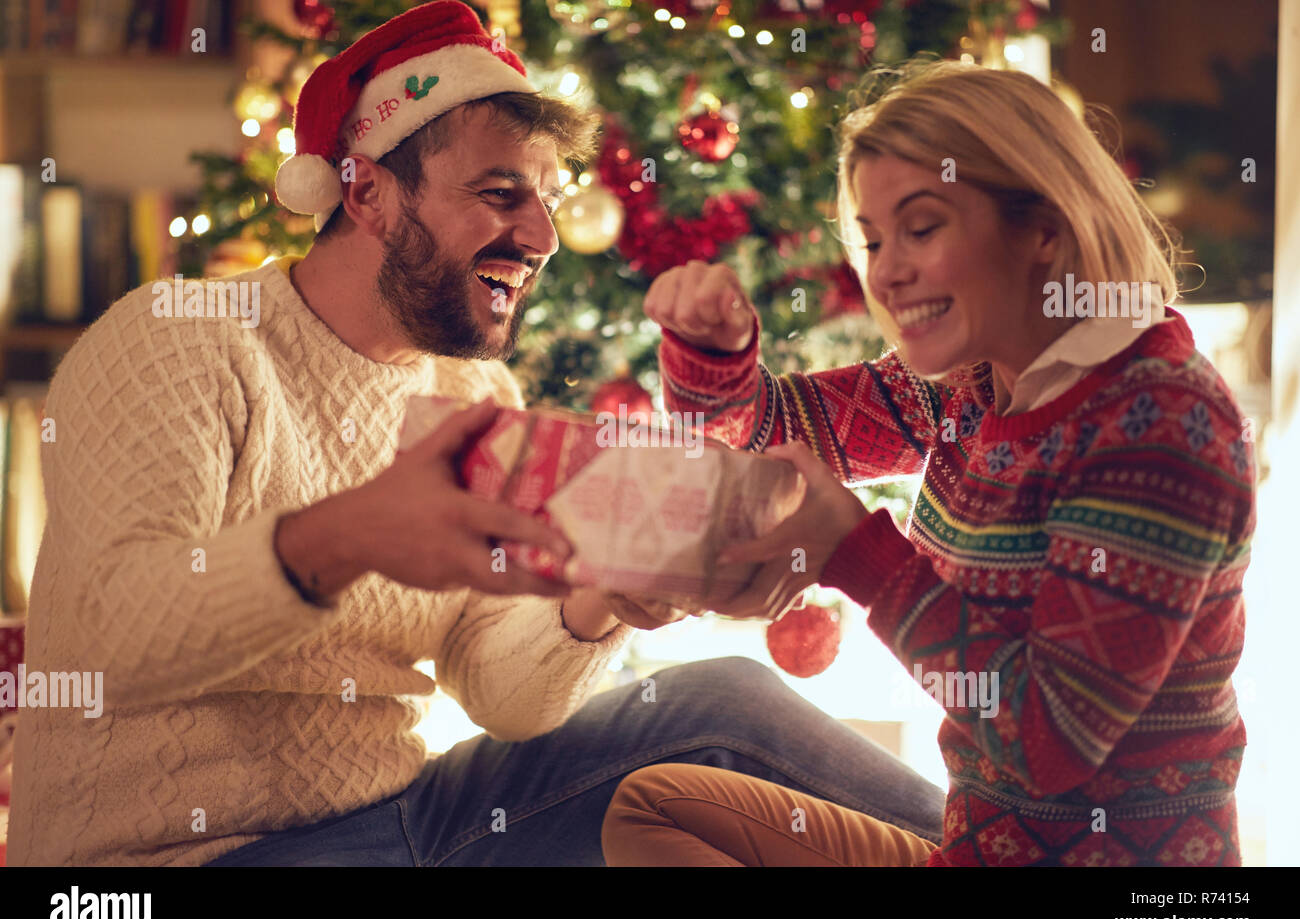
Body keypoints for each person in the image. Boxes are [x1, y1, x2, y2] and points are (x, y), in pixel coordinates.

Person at [6, 1, 944, 867]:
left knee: (717, 705)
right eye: (499, 194)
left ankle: (1001, 850)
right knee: (709, 731)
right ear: (365, 193)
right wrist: (352, 532)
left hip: (400, 822)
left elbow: (500, 692)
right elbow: (110, 638)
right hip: (177, 861)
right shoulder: (182, 341)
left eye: (546, 196)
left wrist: (602, 599)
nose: (541, 234)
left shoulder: (472, 389)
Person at [604, 59, 1255, 866]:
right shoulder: (970, 382)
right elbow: (772, 428)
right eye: (873, 240)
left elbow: (1048, 742)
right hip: (976, 851)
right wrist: (717, 353)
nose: (886, 270)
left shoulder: (1158, 420)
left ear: (1042, 228)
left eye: (921, 228)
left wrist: (859, 556)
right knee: (655, 807)